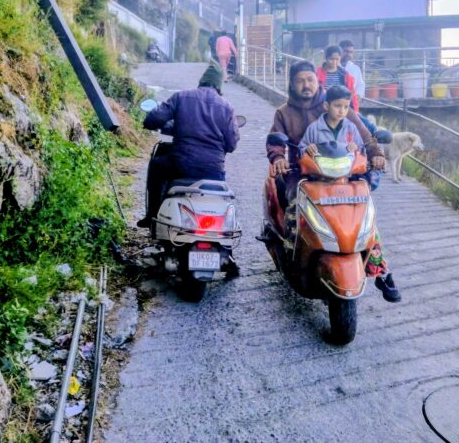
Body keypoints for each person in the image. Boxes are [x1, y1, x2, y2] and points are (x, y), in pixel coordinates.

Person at [266, 61, 401, 302]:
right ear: (292, 84)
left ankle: (380, 268)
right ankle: (292, 248)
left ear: (317, 81)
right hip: (302, 172)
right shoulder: (283, 113)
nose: (306, 85)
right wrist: (278, 158)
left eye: (310, 80)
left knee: (362, 210)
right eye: (300, 81)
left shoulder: (335, 104)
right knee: (294, 202)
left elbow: (364, 134)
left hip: (342, 173)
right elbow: (275, 142)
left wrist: (376, 154)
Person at [139, 64, 239, 232]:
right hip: (214, 170)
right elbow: (232, 144)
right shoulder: (226, 107)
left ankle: (152, 215)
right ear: (218, 85)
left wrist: (161, 125)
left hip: (181, 165)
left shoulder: (181, 97)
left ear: (202, 80)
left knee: (157, 165)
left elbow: (153, 119)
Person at [316, 45, 359, 112]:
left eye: (337, 59)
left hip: (341, 105)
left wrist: (355, 111)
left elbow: (352, 94)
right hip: (323, 104)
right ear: (326, 58)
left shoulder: (345, 75)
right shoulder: (317, 73)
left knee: (361, 118)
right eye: (331, 59)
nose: (334, 62)